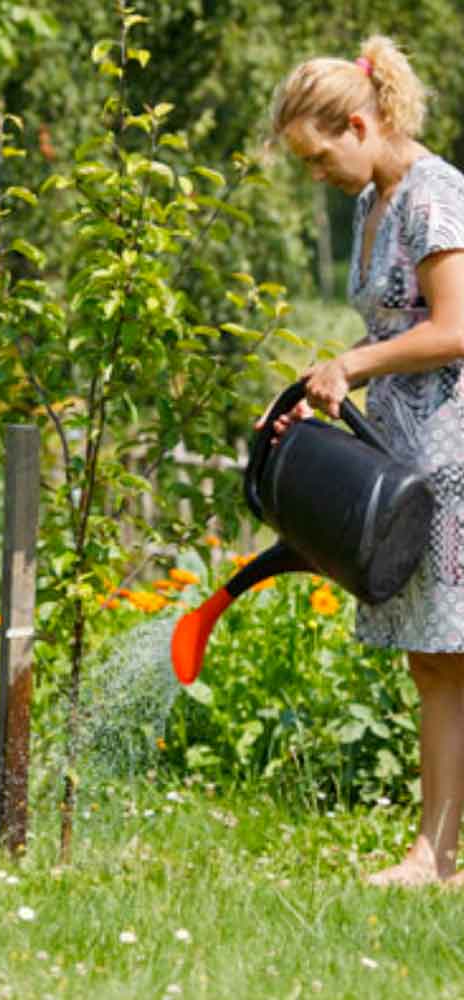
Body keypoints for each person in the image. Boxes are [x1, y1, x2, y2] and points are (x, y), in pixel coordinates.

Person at [267, 36, 464, 886]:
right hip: (405, 446)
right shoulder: (373, 202)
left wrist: (356, 364)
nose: (320, 176)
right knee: (437, 657)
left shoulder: (434, 195)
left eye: (319, 158)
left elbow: (456, 327)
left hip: (453, 447)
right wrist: (327, 380)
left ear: (357, 121)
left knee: (453, 653)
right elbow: (394, 330)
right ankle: (438, 854)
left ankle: (433, 852)